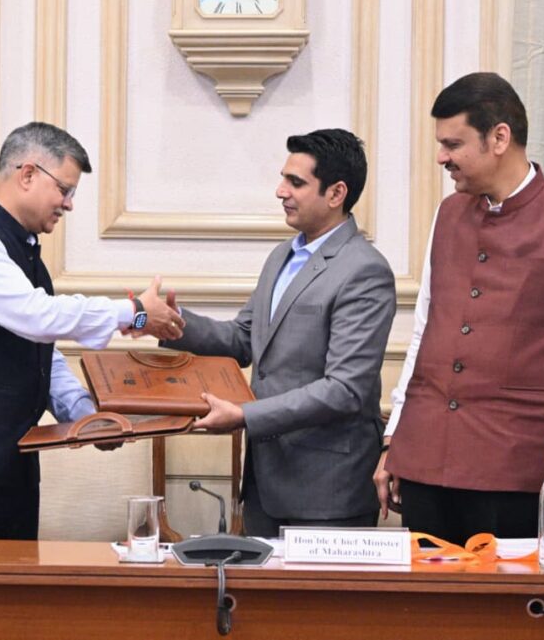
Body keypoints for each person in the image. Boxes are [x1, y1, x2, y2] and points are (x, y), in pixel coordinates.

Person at [376, 72, 544, 544]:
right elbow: (426, 333)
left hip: (519, 474)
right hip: (425, 463)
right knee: (424, 593)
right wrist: (396, 439)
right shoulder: (447, 214)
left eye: (453, 144)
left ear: (499, 138)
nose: (441, 157)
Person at [0, 122, 185, 540]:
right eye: (65, 190)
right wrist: (135, 312)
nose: (68, 204)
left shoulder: (28, 255)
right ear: (28, 174)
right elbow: (39, 317)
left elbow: (41, 354)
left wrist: (85, 416)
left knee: (17, 584)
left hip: (11, 469)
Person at [162, 128, 396, 538]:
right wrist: (170, 321)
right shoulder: (282, 255)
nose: (280, 191)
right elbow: (243, 339)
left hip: (328, 492)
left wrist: (245, 415)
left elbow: (345, 389)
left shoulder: (365, 270)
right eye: (283, 179)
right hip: (264, 486)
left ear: (336, 193)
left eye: (295, 182)